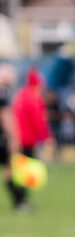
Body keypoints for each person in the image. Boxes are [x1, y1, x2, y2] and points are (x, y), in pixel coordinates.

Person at [11, 67, 51, 210]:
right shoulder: (34, 98)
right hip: (28, 141)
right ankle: (21, 201)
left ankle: (19, 199)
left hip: (17, 139)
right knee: (26, 173)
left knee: (18, 170)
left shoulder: (20, 95)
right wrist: (46, 137)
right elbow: (38, 121)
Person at [0, 62, 28, 212]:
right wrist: (14, 137)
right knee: (11, 170)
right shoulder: (3, 91)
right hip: (3, 138)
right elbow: (5, 116)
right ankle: (19, 201)